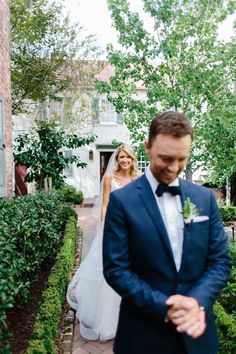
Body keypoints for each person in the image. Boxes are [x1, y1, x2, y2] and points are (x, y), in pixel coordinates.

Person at [103, 111, 232, 354]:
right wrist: (166, 307)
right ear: (148, 147)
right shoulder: (122, 201)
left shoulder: (204, 198)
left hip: (197, 334)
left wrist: (195, 302)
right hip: (142, 335)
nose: (174, 168)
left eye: (182, 159)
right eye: (166, 158)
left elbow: (220, 261)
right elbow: (116, 269)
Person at [67, 144, 140, 341]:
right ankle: (107, 322)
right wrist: (106, 227)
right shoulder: (109, 178)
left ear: (133, 159)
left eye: (127, 157)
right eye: (121, 157)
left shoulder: (138, 179)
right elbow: (106, 204)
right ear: (117, 159)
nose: (124, 160)